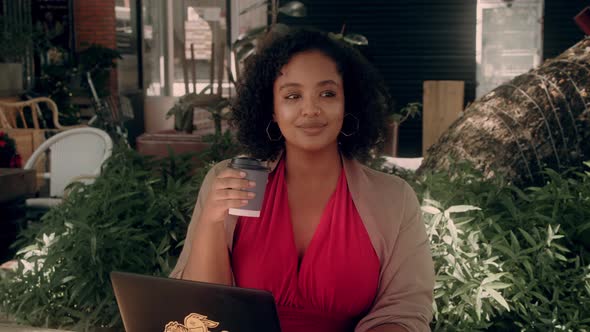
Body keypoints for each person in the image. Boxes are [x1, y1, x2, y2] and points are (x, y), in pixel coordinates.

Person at [171, 28, 434, 332]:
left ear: (348, 102)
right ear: (271, 109)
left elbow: (405, 312)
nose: (310, 109)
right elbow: (200, 311)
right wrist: (212, 222)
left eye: (327, 93)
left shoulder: (394, 199)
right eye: (292, 96)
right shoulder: (230, 180)